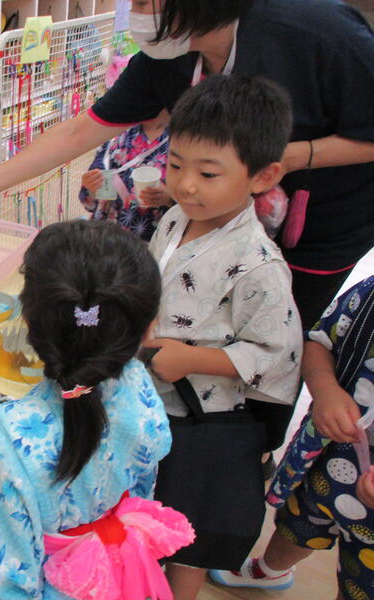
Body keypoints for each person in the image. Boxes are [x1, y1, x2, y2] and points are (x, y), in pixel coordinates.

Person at [0, 0, 374, 330]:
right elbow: (80, 132)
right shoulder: (169, 55)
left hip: (322, 221)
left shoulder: (321, 35)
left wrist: (286, 156)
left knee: (272, 325)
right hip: (224, 217)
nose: (134, 16)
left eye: (143, 3)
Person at [0, 220, 195, 599]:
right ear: (148, 329)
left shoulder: (15, 442)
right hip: (113, 570)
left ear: (28, 322)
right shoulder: (138, 384)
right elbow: (141, 482)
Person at [138, 74, 303, 599]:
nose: (186, 185)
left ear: (263, 175)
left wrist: (194, 360)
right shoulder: (175, 219)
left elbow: (276, 355)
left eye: (208, 173)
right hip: (153, 399)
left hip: (203, 419)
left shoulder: (259, 265)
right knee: (150, 511)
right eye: (175, 165)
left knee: (191, 528)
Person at [210, 276, 374, 600]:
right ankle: (270, 570)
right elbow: (318, 341)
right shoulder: (368, 294)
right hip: (325, 457)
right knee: (298, 523)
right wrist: (325, 388)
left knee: (360, 584)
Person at [79, 109, 172, 241]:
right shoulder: (115, 135)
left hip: (153, 243)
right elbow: (93, 200)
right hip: (106, 240)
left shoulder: (183, 139)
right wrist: (92, 188)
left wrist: (170, 198)